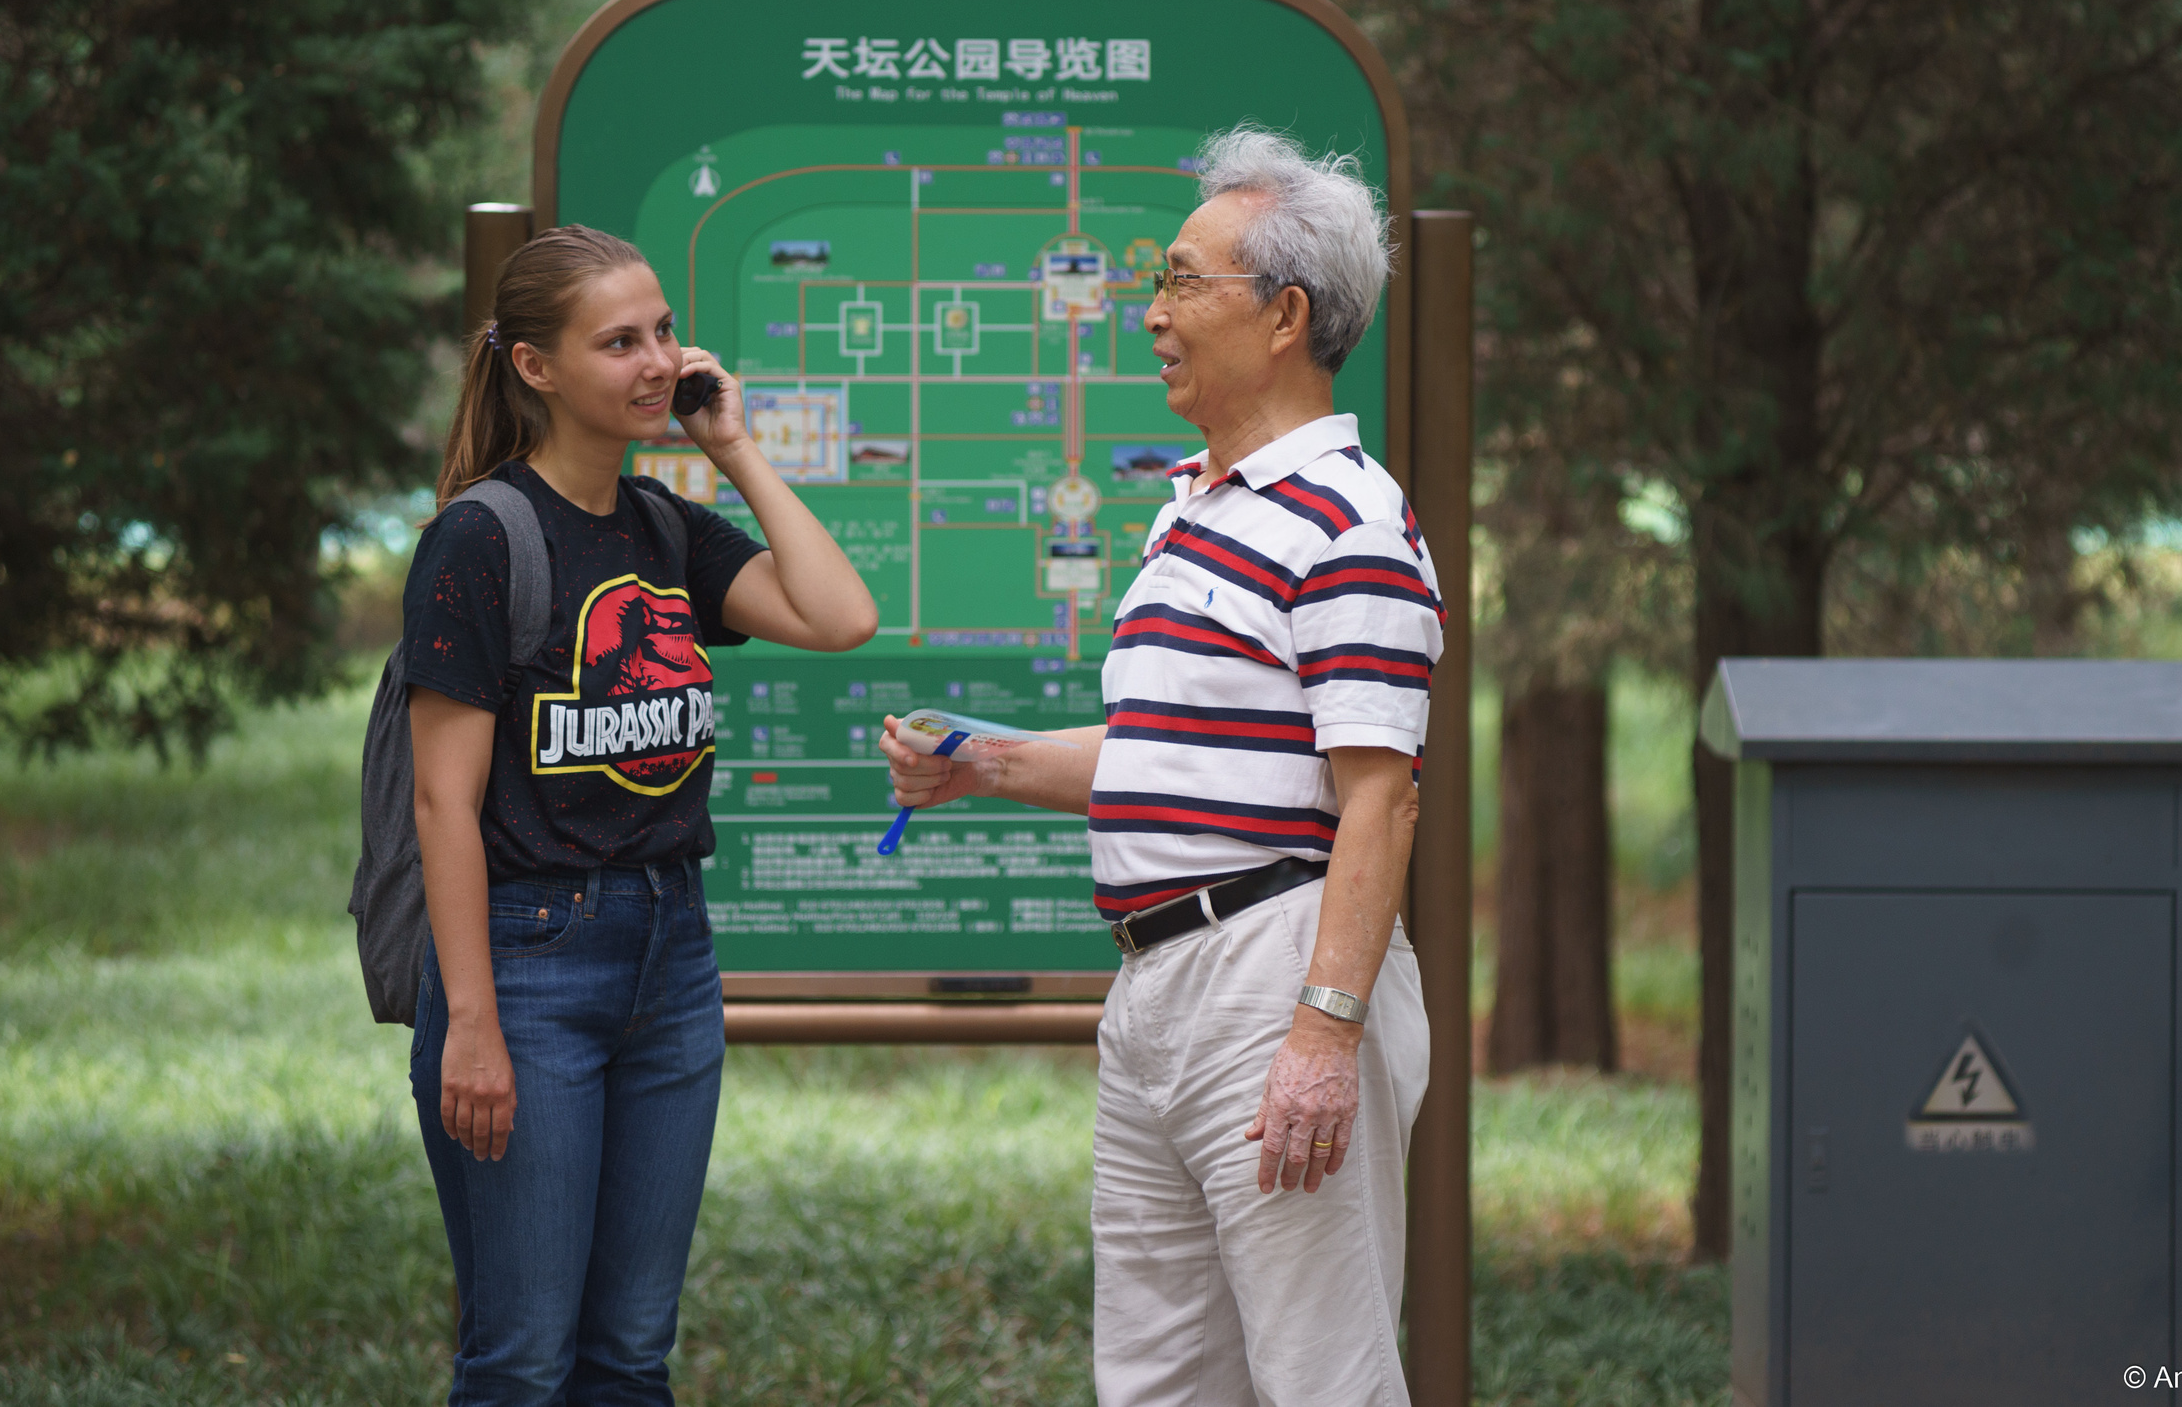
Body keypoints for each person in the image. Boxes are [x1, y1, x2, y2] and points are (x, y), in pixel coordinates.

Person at [881, 128, 1443, 1406]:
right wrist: (983, 764)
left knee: (1322, 1379)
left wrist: (1321, 1036)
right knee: (1159, 1383)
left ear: (1285, 313)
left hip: (1274, 977)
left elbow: (1380, 799)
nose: (1152, 314)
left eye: (1183, 282)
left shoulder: (1346, 518)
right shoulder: (1191, 503)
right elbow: (1169, 759)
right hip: (1156, 988)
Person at [402, 223, 876, 1404]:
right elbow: (441, 803)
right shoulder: (480, 537)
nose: (658, 360)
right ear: (535, 368)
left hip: (672, 958)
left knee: (628, 1355)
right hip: (528, 964)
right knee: (521, 1358)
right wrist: (471, 1023)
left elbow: (837, 616)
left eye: (662, 330)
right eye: (620, 342)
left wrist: (734, 447)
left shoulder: (663, 527)